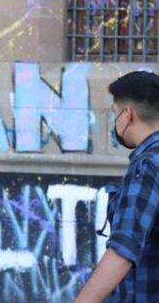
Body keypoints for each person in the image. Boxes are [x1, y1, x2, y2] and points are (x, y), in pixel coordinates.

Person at [76, 71, 159, 303]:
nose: (116, 122)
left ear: (128, 114)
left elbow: (124, 248)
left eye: (115, 114)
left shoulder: (147, 166)